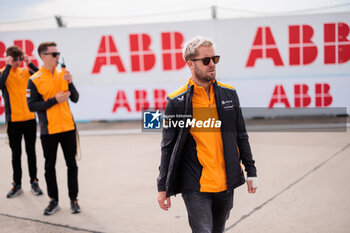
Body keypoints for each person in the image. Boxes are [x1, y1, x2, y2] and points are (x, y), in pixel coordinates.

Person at [157, 36, 258, 233]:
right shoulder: (176, 101)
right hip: (195, 186)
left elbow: (241, 135)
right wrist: (162, 187)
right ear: (190, 64)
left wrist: (251, 170)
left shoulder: (229, 94)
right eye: (206, 60)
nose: (212, 64)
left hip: (225, 183)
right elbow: (167, 146)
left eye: (214, 59)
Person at [27, 41, 80, 215]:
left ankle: (74, 199)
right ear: (43, 56)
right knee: (49, 167)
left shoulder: (63, 74)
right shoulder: (34, 80)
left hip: (68, 128)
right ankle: (53, 200)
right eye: (54, 54)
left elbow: (75, 98)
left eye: (58, 54)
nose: (58, 57)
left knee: (71, 164)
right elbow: (32, 106)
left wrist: (70, 83)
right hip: (49, 130)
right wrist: (53, 101)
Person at [0, 46, 43, 198]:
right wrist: (7, 66)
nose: (18, 62)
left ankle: (34, 181)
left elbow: (41, 76)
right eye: (15, 59)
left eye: (19, 59)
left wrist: (29, 63)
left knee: (31, 152)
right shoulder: (3, 73)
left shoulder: (26, 72)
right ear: (9, 59)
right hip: (13, 121)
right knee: (16, 154)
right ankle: (17, 184)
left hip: (30, 119)